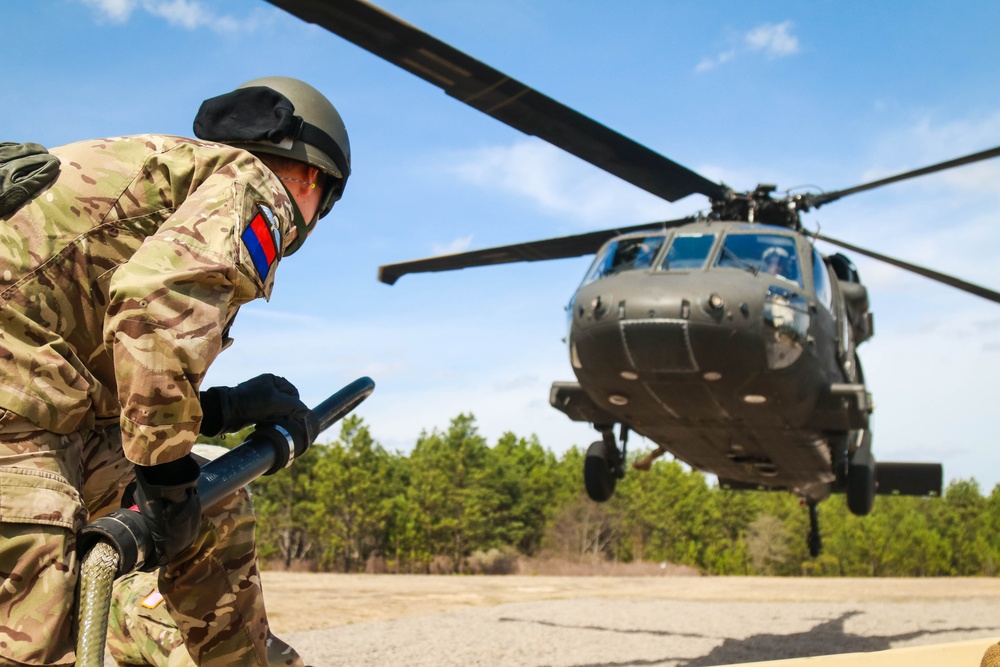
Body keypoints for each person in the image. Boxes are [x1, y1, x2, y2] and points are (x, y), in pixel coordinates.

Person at [0, 76, 349, 667]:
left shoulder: (168, 174)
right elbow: (155, 308)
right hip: (20, 408)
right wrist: (162, 481)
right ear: (313, 178)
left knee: (210, 505)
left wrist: (221, 411)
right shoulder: (253, 184)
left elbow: (101, 355)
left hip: (46, 401)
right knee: (30, 638)